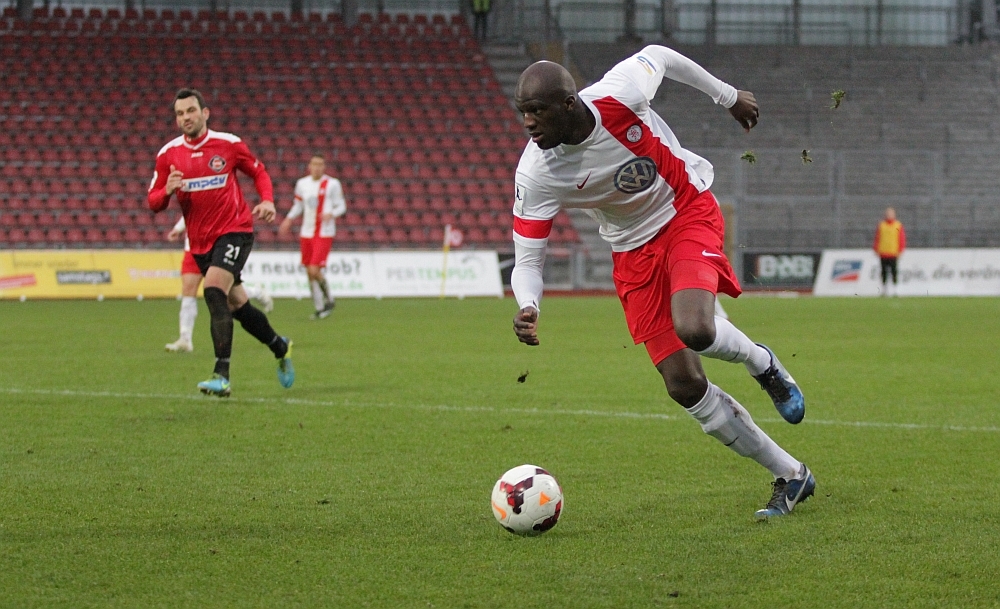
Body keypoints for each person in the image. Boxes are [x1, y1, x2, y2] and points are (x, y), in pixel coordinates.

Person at [509, 48, 815, 520]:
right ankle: (792, 474)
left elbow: (660, 56)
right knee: (684, 386)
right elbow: (528, 260)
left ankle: (762, 363)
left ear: (569, 104)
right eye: (523, 112)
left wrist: (728, 96)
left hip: (684, 211)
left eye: (537, 110)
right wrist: (529, 304)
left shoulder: (620, 94)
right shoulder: (535, 174)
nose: (528, 123)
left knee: (695, 328)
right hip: (631, 252)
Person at [148, 88, 294, 397]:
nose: (185, 117)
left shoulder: (228, 144)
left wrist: (267, 200)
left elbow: (259, 172)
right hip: (200, 243)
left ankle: (221, 375)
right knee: (238, 306)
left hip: (235, 230)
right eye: (180, 113)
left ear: (205, 113)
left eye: (191, 111)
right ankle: (280, 346)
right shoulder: (168, 154)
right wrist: (167, 191)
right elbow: (153, 201)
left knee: (213, 289)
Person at [164, 216, 274, 353]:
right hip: (192, 246)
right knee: (188, 290)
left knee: (225, 291)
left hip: (215, 247)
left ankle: (256, 292)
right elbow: (190, 210)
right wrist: (178, 228)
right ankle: (185, 339)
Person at [278, 154, 346, 320]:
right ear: (309, 166)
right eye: (314, 164)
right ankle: (320, 307)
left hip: (324, 232)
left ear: (324, 167)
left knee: (315, 269)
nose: (317, 168)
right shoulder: (302, 184)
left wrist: (331, 214)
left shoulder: (332, 184)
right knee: (309, 272)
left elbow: (341, 206)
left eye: (320, 164)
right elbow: (298, 205)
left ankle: (329, 299)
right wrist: (288, 219)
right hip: (306, 232)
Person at [874, 207, 905, 297]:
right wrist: (876, 249)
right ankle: (884, 290)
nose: (889, 215)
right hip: (883, 252)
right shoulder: (882, 225)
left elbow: (901, 238)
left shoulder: (898, 225)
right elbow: (877, 237)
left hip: (893, 253)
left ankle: (896, 290)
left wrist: (901, 250)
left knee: (894, 271)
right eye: (888, 213)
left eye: (891, 213)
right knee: (884, 272)